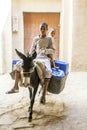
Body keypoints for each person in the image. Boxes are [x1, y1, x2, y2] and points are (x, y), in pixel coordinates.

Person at [6, 22, 55, 104]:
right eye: (41, 28)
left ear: (47, 29)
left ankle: (43, 95)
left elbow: (53, 50)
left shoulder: (49, 39)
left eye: (44, 28)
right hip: (36, 58)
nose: (42, 30)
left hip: (45, 59)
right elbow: (32, 49)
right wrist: (29, 56)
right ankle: (15, 87)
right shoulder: (36, 39)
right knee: (19, 65)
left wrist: (45, 50)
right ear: (39, 29)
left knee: (48, 71)